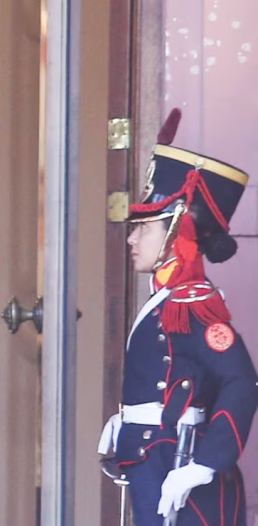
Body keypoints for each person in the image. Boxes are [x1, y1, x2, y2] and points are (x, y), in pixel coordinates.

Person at [97, 109, 258, 525]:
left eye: (145, 228)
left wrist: (204, 464)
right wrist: (126, 422)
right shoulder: (168, 298)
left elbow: (241, 381)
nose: (132, 238)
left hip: (173, 462)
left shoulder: (192, 304)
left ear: (176, 233)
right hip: (151, 458)